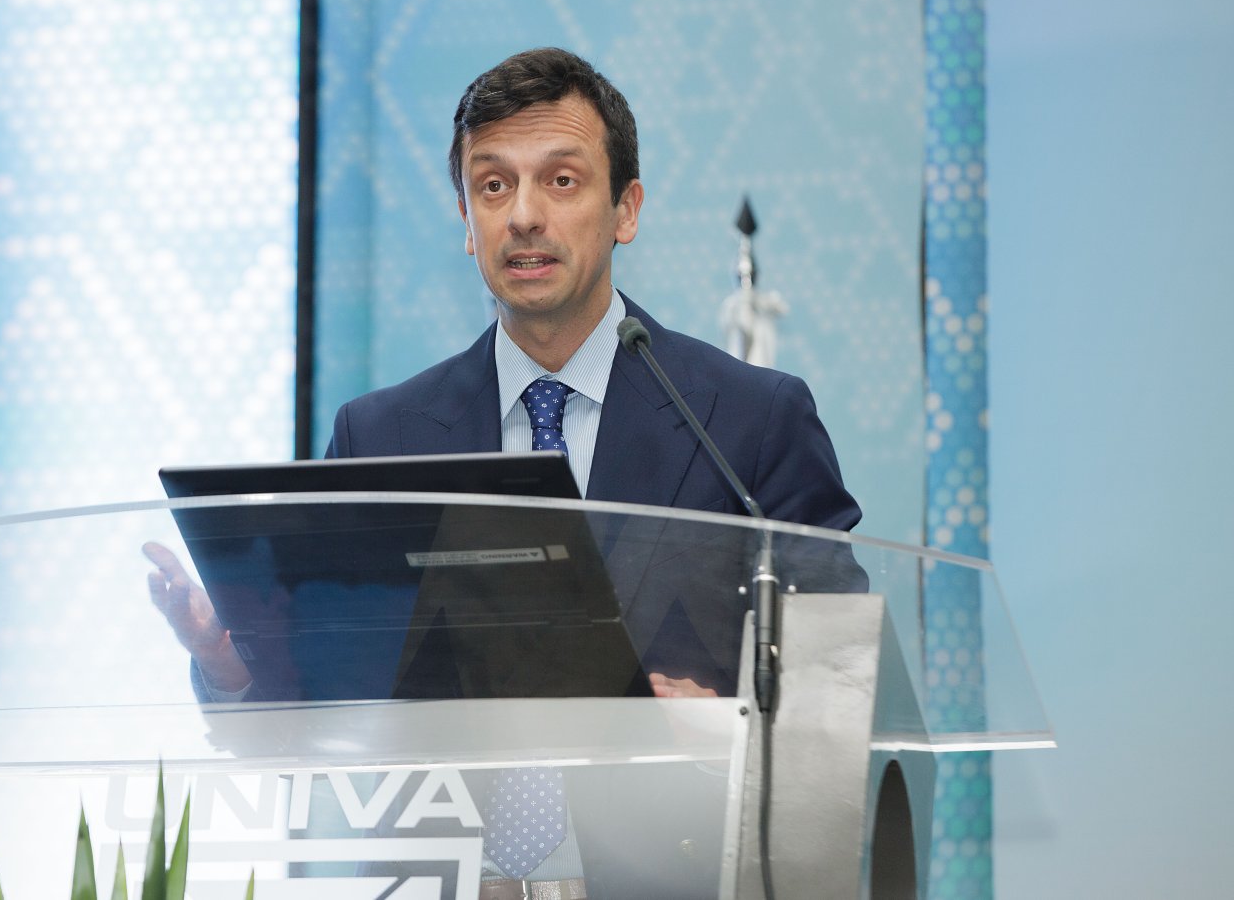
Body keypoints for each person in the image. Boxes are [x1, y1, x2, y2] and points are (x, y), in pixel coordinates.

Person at [144, 47, 864, 896]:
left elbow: (839, 689)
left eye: (561, 180)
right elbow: (310, 714)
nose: (523, 215)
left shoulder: (748, 422)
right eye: (493, 185)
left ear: (626, 209)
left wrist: (722, 725)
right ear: (466, 219)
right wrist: (227, 656)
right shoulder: (381, 438)